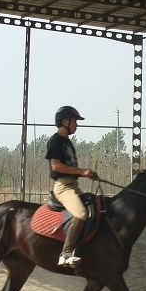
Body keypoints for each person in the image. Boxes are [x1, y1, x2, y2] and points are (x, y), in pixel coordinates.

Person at [45, 106, 97, 267]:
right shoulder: (55, 141)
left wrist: (86, 174)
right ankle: (65, 254)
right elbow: (56, 166)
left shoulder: (67, 142)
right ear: (65, 121)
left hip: (73, 185)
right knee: (81, 214)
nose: (76, 125)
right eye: (74, 121)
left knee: (94, 208)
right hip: (63, 187)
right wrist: (82, 171)